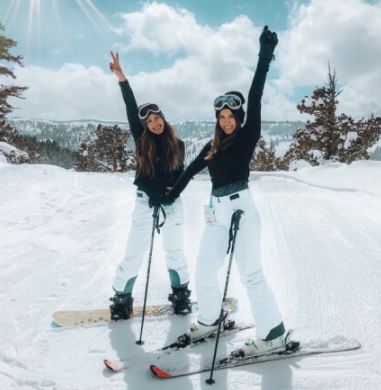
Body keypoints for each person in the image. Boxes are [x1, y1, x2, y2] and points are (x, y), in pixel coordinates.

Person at [149, 27, 285, 357]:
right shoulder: (212, 146)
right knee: (205, 269)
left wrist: (264, 58)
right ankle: (210, 320)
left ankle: (273, 334)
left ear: (238, 118)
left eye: (231, 116)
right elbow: (190, 171)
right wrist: (169, 195)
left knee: (251, 274)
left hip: (242, 210)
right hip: (217, 212)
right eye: (221, 116)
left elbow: (255, 97)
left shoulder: (247, 135)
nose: (226, 121)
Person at [108, 51, 191, 320]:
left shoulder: (177, 145)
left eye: (158, 119)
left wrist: (171, 193)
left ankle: (180, 295)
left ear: (164, 120)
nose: (154, 124)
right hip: (144, 201)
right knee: (134, 251)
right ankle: (122, 298)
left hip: (171, 204)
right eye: (149, 121)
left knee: (175, 251)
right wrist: (122, 78)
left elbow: (180, 175)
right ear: (144, 125)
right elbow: (131, 109)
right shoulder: (141, 140)